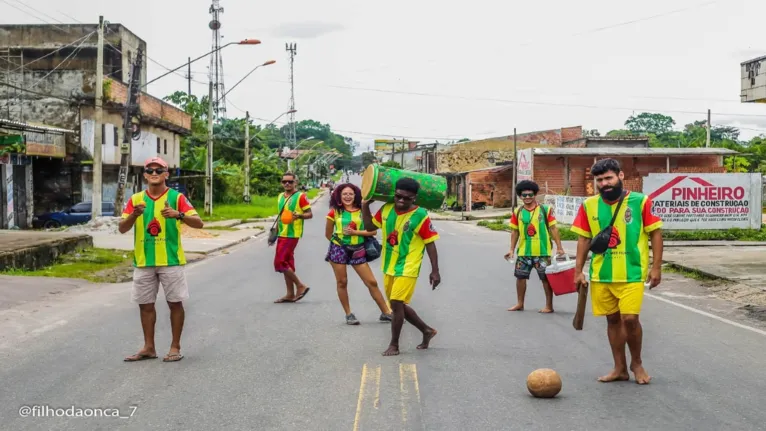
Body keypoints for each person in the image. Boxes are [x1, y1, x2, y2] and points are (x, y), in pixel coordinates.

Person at [571, 158, 663, 385]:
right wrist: (578, 270)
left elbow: (655, 234)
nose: (604, 183)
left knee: (630, 319)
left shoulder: (640, 201)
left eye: (608, 178)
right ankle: (620, 368)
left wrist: (656, 266)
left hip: (632, 272)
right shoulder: (588, 205)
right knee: (612, 320)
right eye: (600, 180)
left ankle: (637, 363)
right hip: (602, 274)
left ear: (620, 176)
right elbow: (583, 239)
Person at [119, 157, 204, 363]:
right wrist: (134, 215)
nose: (155, 173)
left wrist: (178, 215)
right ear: (145, 175)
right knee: (145, 305)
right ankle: (149, 347)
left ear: (167, 174)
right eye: (150, 170)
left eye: (160, 170)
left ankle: (175, 347)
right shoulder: (136, 199)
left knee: (175, 303)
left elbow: (199, 223)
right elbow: (122, 228)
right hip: (144, 261)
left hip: (171, 261)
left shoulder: (177, 197)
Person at [361, 177, 441, 356]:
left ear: (414, 198)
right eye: (399, 196)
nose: (402, 201)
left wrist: (435, 270)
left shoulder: (420, 215)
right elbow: (368, 226)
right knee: (398, 305)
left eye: (407, 198)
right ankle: (427, 330)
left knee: (396, 303)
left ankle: (394, 345)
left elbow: (430, 242)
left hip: (408, 266)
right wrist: (365, 205)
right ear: (394, 194)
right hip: (389, 265)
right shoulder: (387, 209)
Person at [325, 183, 393, 325]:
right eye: (344, 194)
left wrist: (356, 233)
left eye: (350, 194)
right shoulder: (334, 212)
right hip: (338, 249)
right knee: (342, 282)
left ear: (356, 195)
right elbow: (328, 234)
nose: (348, 197)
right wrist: (340, 242)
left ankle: (386, 312)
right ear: (339, 196)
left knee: (371, 282)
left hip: (358, 249)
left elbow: (373, 231)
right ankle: (349, 314)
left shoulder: (363, 211)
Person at [504, 180, 565, 313]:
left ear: (535, 194)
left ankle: (549, 305)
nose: (527, 197)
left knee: (545, 279)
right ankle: (520, 303)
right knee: (520, 277)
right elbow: (515, 231)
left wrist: (559, 247)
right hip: (524, 252)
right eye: (524, 195)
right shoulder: (517, 212)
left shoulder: (545, 209)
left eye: (530, 194)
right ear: (520, 196)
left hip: (542, 252)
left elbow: (553, 228)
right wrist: (511, 250)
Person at [272, 172, 313, 303]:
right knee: (287, 263)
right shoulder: (280, 197)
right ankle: (290, 294)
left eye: (290, 181)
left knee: (279, 263)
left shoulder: (300, 196)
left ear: (296, 182)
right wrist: (276, 231)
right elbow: (280, 215)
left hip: (292, 234)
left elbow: (309, 214)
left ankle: (300, 286)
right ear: (281, 183)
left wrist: (299, 216)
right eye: (284, 182)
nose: (287, 184)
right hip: (281, 233)